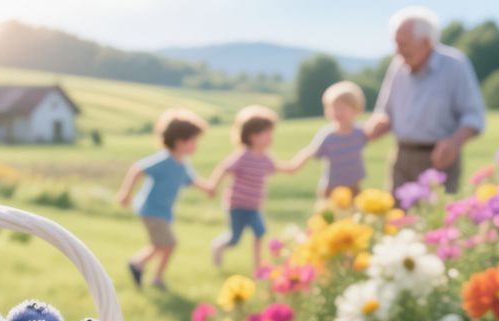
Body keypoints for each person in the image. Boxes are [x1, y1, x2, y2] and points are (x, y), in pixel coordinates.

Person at [365, 5, 485, 193]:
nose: (397, 51)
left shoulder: (454, 65)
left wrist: (455, 142)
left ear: (426, 43)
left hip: (439, 161)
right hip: (401, 158)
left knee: (436, 212)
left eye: (403, 44)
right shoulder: (398, 65)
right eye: (395, 43)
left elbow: (473, 116)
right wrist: (379, 123)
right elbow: (385, 111)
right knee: (396, 212)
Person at [117, 108, 210, 289]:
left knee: (161, 244)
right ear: (180, 141)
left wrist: (208, 188)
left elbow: (191, 180)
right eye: (194, 140)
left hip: (162, 211)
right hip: (151, 209)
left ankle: (137, 264)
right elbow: (137, 170)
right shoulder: (164, 160)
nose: (196, 145)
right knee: (169, 244)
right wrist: (126, 194)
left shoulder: (183, 164)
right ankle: (156, 278)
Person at [208, 105, 298, 272]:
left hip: (254, 207)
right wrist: (213, 186)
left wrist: (296, 164)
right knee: (234, 239)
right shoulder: (243, 156)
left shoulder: (265, 158)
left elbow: (281, 167)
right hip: (237, 205)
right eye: (267, 133)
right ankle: (218, 246)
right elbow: (224, 169)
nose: (271, 137)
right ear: (253, 136)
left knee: (260, 232)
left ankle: (257, 267)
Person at [290, 81, 369, 198]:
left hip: (354, 186)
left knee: (356, 209)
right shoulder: (328, 135)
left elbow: (376, 131)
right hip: (331, 188)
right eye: (334, 107)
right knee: (329, 210)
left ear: (356, 109)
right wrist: (294, 165)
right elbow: (312, 151)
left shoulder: (360, 132)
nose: (338, 112)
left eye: (343, 108)